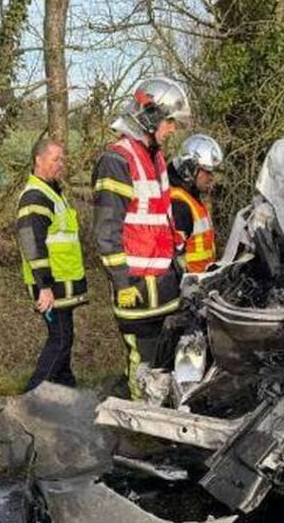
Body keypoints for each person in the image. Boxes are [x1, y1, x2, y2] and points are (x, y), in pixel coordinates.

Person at [92, 77, 191, 399]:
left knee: (167, 360)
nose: (172, 129)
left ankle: (163, 413)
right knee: (142, 364)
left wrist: (178, 261)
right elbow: (107, 231)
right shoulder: (117, 160)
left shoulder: (155, 157)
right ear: (150, 116)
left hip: (164, 285)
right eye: (169, 121)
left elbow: (161, 219)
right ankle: (139, 420)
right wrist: (121, 282)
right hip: (135, 288)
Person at [17, 138, 87, 392]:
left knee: (63, 339)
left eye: (62, 159)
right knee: (60, 340)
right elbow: (31, 244)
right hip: (50, 287)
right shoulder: (35, 196)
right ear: (38, 159)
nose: (61, 164)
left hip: (62, 282)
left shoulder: (53, 192)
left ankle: (66, 389)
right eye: (55, 159)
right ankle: (31, 397)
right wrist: (44, 287)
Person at [168, 134, 223, 273]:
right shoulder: (179, 205)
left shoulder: (191, 198)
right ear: (191, 169)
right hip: (189, 283)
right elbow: (173, 261)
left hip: (203, 279)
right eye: (207, 172)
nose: (211, 178)